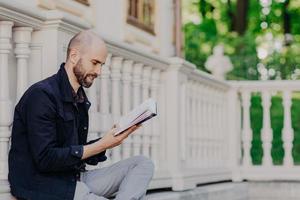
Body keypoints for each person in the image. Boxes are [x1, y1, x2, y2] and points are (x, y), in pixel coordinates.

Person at [8, 30, 154, 200]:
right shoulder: (41, 95)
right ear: (74, 56)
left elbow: (75, 151)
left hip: (73, 178)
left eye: (102, 65)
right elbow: (45, 159)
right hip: (44, 184)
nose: (99, 71)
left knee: (143, 164)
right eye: (95, 63)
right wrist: (100, 145)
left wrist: (109, 141)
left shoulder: (80, 99)